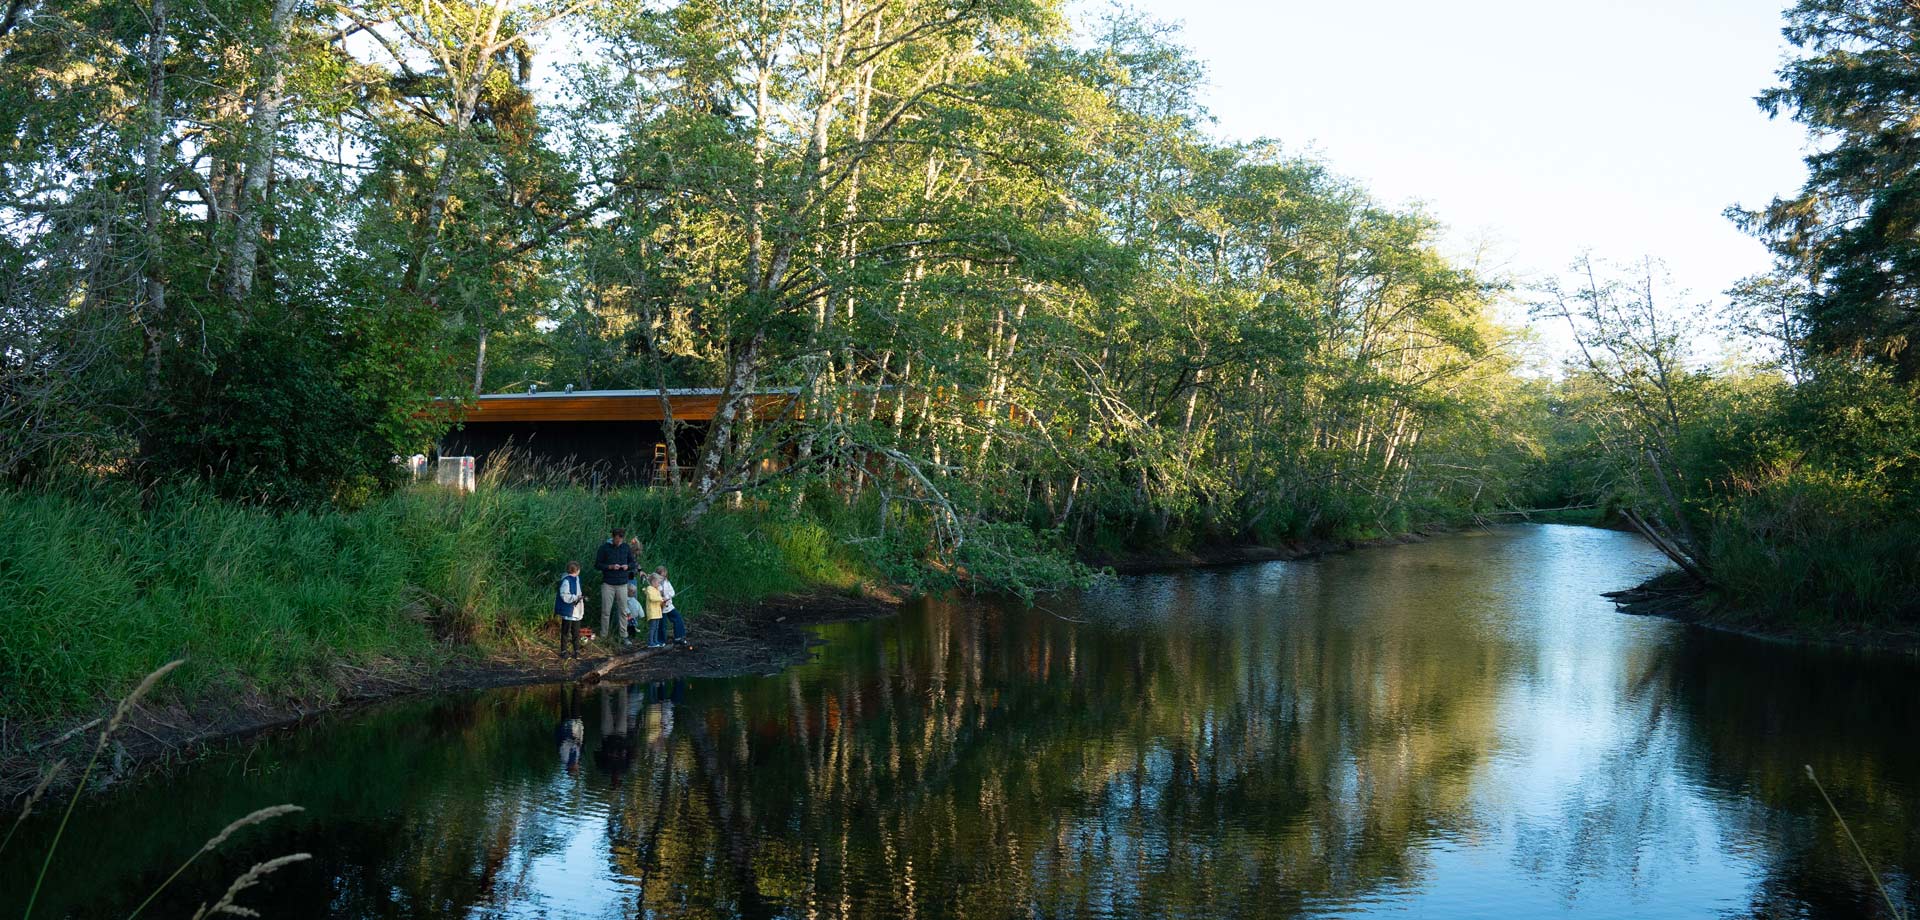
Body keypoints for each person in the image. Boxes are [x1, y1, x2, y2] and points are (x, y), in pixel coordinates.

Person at [593, 527, 637, 646]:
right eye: (616, 540)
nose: (618, 542)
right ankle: (604, 636)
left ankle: (624, 636)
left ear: (623, 538)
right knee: (606, 611)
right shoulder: (604, 548)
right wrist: (610, 567)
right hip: (608, 583)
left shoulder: (626, 547)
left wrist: (628, 566)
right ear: (613, 537)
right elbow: (597, 564)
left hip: (622, 584)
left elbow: (633, 563)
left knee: (623, 611)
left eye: (620, 540)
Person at [554, 561, 585, 659]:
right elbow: (564, 595)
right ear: (577, 570)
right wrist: (575, 597)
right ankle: (563, 651)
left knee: (576, 632)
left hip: (576, 611)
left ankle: (576, 650)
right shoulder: (566, 581)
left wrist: (579, 598)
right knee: (565, 632)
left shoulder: (577, 579)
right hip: (568, 611)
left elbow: (578, 592)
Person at [655, 565, 687, 647]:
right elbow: (654, 595)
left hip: (669, 605)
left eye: (665, 575)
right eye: (662, 575)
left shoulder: (667, 582)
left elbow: (672, 592)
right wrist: (661, 599)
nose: (664, 577)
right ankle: (661, 641)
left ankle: (679, 637)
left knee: (677, 618)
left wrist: (667, 597)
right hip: (660, 607)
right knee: (662, 624)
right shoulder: (655, 584)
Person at [642, 572, 667, 648]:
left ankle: (655, 641)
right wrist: (661, 598)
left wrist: (663, 602)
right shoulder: (650, 589)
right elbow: (652, 598)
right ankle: (650, 642)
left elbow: (658, 601)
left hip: (658, 612)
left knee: (656, 627)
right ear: (653, 581)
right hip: (652, 612)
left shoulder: (656, 590)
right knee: (652, 628)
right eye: (658, 582)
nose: (659, 584)